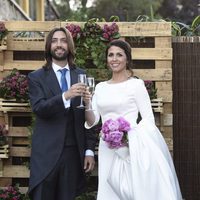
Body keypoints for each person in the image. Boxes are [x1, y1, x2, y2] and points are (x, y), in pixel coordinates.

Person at [84, 39, 182, 200]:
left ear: (127, 59)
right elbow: (92, 121)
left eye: (119, 55)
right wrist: (87, 102)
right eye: (110, 55)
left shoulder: (136, 85)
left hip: (131, 148)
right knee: (109, 189)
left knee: (132, 189)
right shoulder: (100, 88)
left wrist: (128, 139)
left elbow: (148, 120)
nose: (114, 59)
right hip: (107, 147)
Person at [28, 27, 96, 200]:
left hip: (73, 154)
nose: (59, 44)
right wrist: (65, 96)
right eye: (55, 40)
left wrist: (89, 150)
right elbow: (39, 109)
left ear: (69, 45)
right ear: (49, 46)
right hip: (45, 155)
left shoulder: (81, 75)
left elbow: (85, 116)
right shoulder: (36, 77)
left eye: (64, 40)